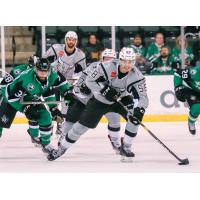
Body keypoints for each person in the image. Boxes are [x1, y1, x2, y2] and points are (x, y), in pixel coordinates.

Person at [48, 47, 149, 162]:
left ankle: (126, 147)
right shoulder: (106, 67)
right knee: (80, 127)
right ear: (120, 59)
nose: (127, 65)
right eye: (124, 61)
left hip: (122, 99)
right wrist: (104, 90)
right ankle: (62, 148)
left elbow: (143, 98)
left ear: (134, 62)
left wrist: (140, 109)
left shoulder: (137, 76)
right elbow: (89, 80)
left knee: (134, 118)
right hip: (100, 101)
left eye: (130, 62)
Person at [0, 58, 73, 154]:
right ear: (35, 68)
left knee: (45, 117)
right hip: (10, 99)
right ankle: (33, 133)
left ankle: (46, 145)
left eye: (45, 71)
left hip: (31, 96)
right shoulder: (25, 78)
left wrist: (65, 94)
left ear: (49, 69)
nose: (43, 73)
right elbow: (10, 96)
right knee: (1, 122)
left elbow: (59, 83)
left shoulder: (53, 73)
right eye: (40, 70)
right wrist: (25, 108)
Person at [59, 48, 122, 153]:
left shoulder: (118, 72)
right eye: (106, 59)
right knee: (71, 118)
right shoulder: (93, 66)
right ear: (102, 59)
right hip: (86, 99)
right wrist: (81, 88)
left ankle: (116, 141)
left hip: (104, 101)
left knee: (115, 119)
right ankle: (63, 136)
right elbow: (81, 80)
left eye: (111, 59)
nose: (108, 62)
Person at [44, 31, 87, 135]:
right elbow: (44, 62)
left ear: (76, 41)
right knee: (52, 103)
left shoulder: (80, 54)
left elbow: (83, 72)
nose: (71, 41)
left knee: (65, 104)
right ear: (65, 40)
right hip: (53, 80)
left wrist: (77, 80)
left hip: (67, 82)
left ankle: (60, 125)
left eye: (73, 40)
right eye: (69, 39)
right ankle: (49, 124)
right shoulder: (56, 48)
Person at [174, 65, 200, 135]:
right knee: (197, 108)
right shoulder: (194, 72)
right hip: (191, 90)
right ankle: (191, 122)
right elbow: (178, 73)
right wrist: (177, 87)